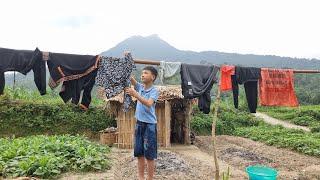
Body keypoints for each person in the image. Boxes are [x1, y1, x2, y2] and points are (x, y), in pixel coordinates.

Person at [125, 66, 159, 180]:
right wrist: (127, 59)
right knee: (139, 153)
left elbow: (149, 103)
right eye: (142, 73)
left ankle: (149, 178)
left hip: (150, 125)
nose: (143, 74)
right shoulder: (140, 87)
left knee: (149, 155)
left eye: (146, 73)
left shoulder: (154, 90)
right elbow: (131, 78)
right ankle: (140, 178)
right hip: (139, 124)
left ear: (153, 77)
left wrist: (136, 95)